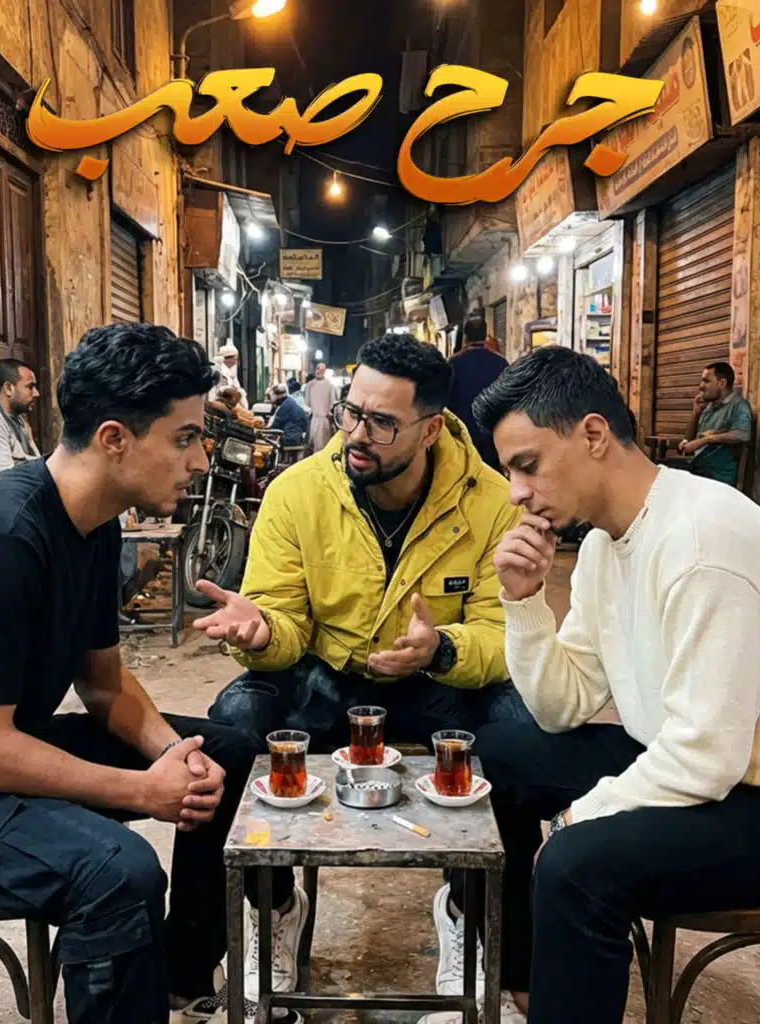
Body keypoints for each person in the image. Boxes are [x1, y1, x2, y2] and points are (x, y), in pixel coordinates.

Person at [0, 324, 288, 1024]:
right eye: (184, 439)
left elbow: (104, 685)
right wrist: (142, 791)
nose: (201, 460)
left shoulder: (95, 522)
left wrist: (173, 755)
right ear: (114, 439)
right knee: (118, 873)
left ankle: (178, 979)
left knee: (224, 753)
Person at [455, 345, 760, 1024]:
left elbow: (706, 756)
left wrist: (574, 819)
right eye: (509, 472)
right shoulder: (601, 545)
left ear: (593, 435)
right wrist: (523, 602)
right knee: (496, 753)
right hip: (707, 770)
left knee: (575, 865)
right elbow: (561, 708)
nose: (516, 493)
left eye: (527, 465)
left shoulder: (704, 539)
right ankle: (526, 983)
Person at [193, 333, 528, 1017]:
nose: (356, 434)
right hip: (325, 673)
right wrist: (262, 633)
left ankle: (469, 919)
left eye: (381, 423)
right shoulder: (297, 493)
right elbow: (283, 616)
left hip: (438, 681)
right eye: (352, 411)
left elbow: (504, 635)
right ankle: (273, 908)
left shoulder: (492, 502)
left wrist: (442, 650)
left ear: (430, 428)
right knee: (232, 720)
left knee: (521, 733)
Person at [448, 315, 509, 472]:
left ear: (465, 337)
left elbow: (447, 401)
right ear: (486, 335)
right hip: (492, 433)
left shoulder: (454, 363)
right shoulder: (500, 362)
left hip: (463, 434)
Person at [677, 361, 753, 486]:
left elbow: (743, 434)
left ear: (722, 383)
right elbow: (690, 440)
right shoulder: (710, 407)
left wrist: (707, 439)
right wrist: (696, 412)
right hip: (698, 470)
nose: (701, 386)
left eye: (706, 381)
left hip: (717, 477)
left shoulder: (739, 405)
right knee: (660, 471)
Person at [304, 363, 337, 452]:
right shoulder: (310, 385)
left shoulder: (330, 385)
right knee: (314, 447)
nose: (319, 371)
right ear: (315, 369)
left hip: (324, 420)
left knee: (323, 448)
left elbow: (333, 404)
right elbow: (308, 403)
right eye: (318, 368)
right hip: (315, 419)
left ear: (324, 371)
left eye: (322, 370)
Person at [268, 381, 308, 447]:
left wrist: (264, 431)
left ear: (277, 395)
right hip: (296, 436)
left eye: (271, 396)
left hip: (290, 439)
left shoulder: (284, 406)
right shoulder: (289, 401)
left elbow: (276, 425)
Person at [210, 342, 248, 409]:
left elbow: (238, 388)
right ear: (228, 359)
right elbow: (218, 391)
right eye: (235, 358)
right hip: (221, 405)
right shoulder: (218, 370)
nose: (236, 362)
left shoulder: (230, 371)